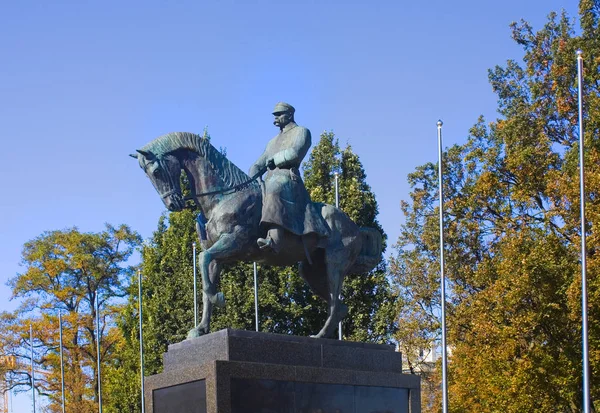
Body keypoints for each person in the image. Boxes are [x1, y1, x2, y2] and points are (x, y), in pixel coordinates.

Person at [249, 102, 329, 253]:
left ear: (290, 115)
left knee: (274, 189)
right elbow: (259, 163)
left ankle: (274, 238)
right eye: (275, 115)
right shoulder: (272, 142)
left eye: (279, 114)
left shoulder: (302, 131)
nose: (276, 118)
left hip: (287, 178)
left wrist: (275, 159)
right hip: (269, 178)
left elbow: (296, 152)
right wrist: (254, 173)